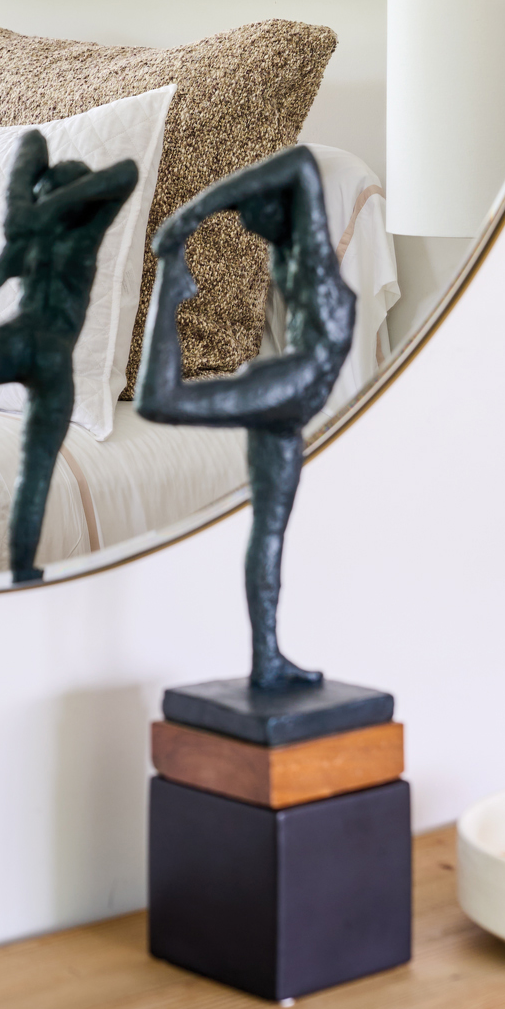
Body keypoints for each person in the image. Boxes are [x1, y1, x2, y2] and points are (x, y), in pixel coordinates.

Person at [135, 145, 355, 690]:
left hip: (300, 379)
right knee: (267, 531)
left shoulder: (310, 248)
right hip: (295, 384)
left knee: (165, 404)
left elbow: (300, 161)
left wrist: (191, 215)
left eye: (258, 212)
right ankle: (268, 657)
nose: (251, 224)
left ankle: (171, 290)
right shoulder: (287, 249)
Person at [0, 130, 138, 582]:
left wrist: (38, 212)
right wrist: (21, 213)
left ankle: (23, 578)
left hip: (40, 345)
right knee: (33, 478)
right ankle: (24, 577)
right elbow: (31, 140)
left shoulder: (84, 231)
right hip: (40, 345)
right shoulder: (52, 235)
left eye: (53, 195)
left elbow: (127, 171)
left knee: (34, 477)